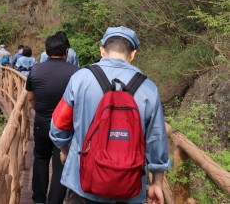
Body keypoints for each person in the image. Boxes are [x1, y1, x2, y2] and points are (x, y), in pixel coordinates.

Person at [49, 26, 171, 204]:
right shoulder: (149, 88)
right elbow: (157, 138)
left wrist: (65, 150)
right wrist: (157, 183)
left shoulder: (80, 78)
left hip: (82, 181)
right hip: (129, 187)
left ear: (102, 50)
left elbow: (59, 124)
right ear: (133, 54)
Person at [26, 34, 79, 204]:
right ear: (66, 51)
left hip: (42, 122)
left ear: (46, 51)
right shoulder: (77, 74)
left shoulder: (36, 70)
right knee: (60, 165)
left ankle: (39, 199)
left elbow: (30, 98)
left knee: (40, 158)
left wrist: (40, 111)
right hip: (66, 126)